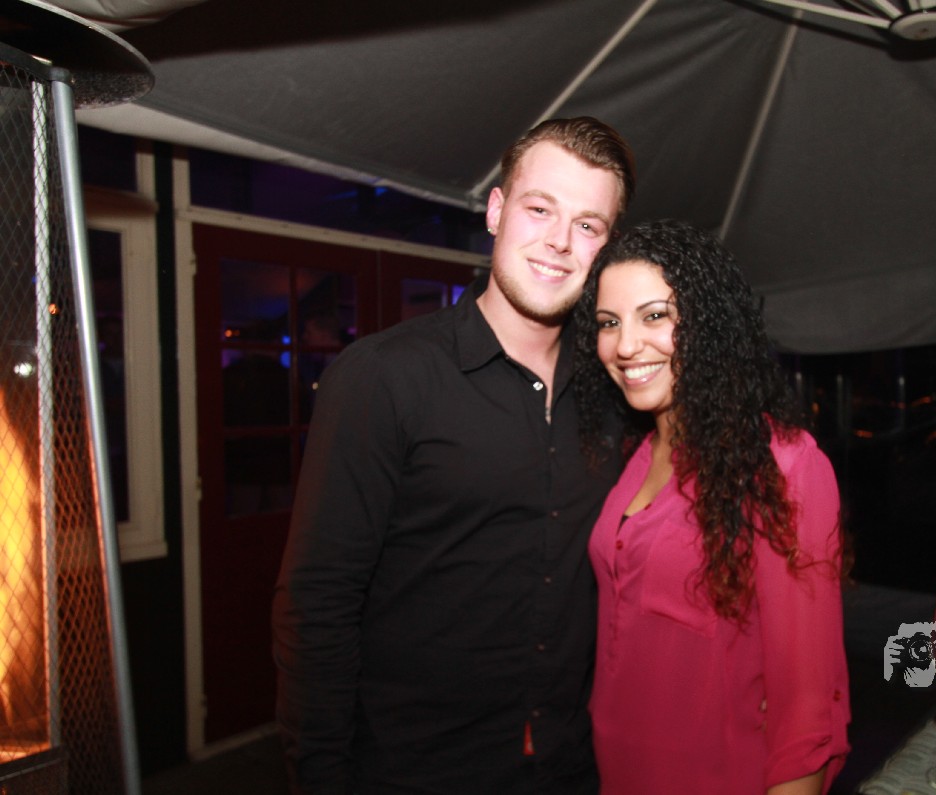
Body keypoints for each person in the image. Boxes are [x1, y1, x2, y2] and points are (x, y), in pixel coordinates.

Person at [272, 117, 636, 793]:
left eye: (587, 225)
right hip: (415, 771)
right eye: (539, 209)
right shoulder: (384, 376)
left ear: (607, 247)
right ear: (496, 211)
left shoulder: (615, 396)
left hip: (570, 768)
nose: (559, 241)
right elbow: (318, 603)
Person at [573, 220, 850, 794]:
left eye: (654, 316)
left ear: (709, 324)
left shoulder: (783, 466)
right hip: (617, 772)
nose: (625, 346)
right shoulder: (637, 456)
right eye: (608, 322)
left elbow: (806, 705)